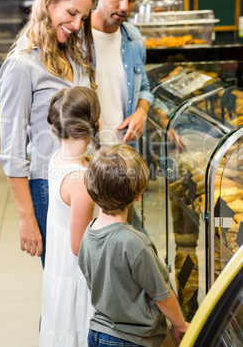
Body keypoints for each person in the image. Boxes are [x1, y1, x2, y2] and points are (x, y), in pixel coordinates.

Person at [0, 0, 95, 266]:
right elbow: (12, 152)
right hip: (47, 185)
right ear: (49, 0)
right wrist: (27, 219)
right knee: (63, 282)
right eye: (71, 12)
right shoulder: (22, 65)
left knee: (86, 286)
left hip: (87, 179)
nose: (77, 24)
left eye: (83, 18)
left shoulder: (74, 57)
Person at [78, 144, 189, 346]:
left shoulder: (89, 232)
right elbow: (162, 295)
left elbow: (94, 287)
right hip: (131, 340)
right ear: (138, 195)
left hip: (97, 333)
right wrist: (180, 324)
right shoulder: (135, 243)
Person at [39, 86, 101, 347]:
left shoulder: (59, 157)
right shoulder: (80, 181)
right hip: (78, 276)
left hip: (59, 265)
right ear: (94, 122)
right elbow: (79, 246)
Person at [91, 0, 153, 147]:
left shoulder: (133, 38)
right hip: (85, 156)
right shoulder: (75, 37)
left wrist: (141, 112)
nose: (125, 7)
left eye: (131, 0)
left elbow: (144, 89)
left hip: (124, 155)